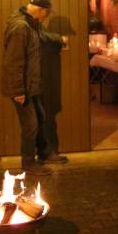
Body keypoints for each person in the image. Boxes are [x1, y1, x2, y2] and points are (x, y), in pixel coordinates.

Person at [2, 0, 53, 176]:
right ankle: (28, 163)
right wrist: (18, 91)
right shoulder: (20, 27)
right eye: (45, 14)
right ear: (39, 10)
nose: (44, 18)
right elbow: (13, 63)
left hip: (31, 86)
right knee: (30, 125)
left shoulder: (30, 24)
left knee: (39, 117)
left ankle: (44, 154)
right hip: (22, 88)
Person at [38, 25, 69, 164]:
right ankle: (45, 154)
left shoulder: (36, 26)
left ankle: (47, 153)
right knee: (43, 119)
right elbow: (42, 35)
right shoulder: (29, 26)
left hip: (42, 81)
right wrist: (60, 38)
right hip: (38, 81)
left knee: (45, 117)